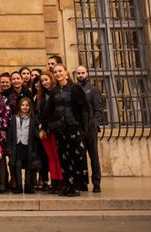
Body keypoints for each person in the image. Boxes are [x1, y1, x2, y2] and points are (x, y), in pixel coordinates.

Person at [40, 63, 89, 197]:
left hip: (74, 126)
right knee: (63, 158)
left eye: (60, 71)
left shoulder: (75, 88)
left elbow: (84, 109)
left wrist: (84, 129)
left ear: (66, 73)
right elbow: (48, 112)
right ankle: (67, 185)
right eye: (55, 72)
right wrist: (44, 127)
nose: (58, 74)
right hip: (60, 129)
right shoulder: (54, 91)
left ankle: (76, 186)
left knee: (77, 156)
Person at [75, 65, 103, 193]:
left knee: (94, 156)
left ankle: (96, 182)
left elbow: (98, 110)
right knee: (81, 156)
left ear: (87, 74)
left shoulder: (93, 90)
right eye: (78, 73)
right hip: (79, 127)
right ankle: (83, 182)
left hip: (90, 127)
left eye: (82, 73)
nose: (80, 75)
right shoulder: (74, 89)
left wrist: (95, 123)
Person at [35, 70, 63, 193]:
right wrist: (42, 128)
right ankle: (55, 181)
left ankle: (61, 181)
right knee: (50, 157)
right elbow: (41, 114)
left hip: (55, 129)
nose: (45, 82)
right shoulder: (41, 96)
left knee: (58, 157)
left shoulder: (57, 93)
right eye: (42, 81)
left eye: (46, 79)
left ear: (52, 79)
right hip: (45, 130)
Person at [7, 98, 42, 194]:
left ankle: (27, 186)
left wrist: (40, 133)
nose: (25, 107)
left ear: (30, 107)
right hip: (17, 145)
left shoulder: (33, 119)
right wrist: (9, 146)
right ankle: (18, 186)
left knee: (28, 166)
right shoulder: (14, 118)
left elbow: (35, 132)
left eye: (27, 105)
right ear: (19, 106)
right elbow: (10, 133)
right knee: (17, 166)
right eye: (23, 105)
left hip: (28, 146)